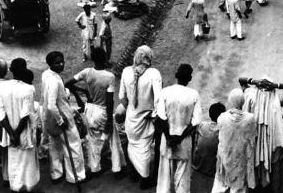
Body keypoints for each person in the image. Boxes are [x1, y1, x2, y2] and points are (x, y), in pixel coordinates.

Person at [66, 47, 125, 176]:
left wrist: (82, 91)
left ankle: (95, 168)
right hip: (103, 111)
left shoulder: (87, 72)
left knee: (93, 141)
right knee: (113, 140)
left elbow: (67, 83)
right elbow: (109, 101)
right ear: (105, 58)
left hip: (90, 110)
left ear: (93, 59)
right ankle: (117, 167)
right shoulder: (109, 77)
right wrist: (109, 121)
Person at [119, 45, 162, 186]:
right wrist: (153, 115)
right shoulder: (154, 74)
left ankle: (133, 174)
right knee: (144, 149)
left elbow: (121, 97)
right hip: (144, 121)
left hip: (130, 120)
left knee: (132, 146)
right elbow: (158, 99)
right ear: (149, 58)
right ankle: (144, 178)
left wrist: (131, 107)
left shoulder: (126, 71)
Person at [41, 51, 86, 184]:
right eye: (57, 63)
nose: (61, 65)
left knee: (55, 146)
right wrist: (61, 120)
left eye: (62, 62)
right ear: (50, 64)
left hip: (49, 118)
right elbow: (51, 105)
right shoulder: (54, 81)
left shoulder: (46, 74)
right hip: (62, 117)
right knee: (74, 146)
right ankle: (76, 176)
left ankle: (56, 174)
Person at [156, 63, 202, 193]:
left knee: (164, 179)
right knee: (183, 179)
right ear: (190, 78)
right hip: (184, 142)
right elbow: (195, 122)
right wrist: (179, 138)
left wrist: (169, 138)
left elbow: (161, 118)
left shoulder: (165, 92)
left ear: (177, 75)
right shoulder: (194, 94)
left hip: (167, 141)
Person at [0, 62, 39, 193]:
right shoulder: (28, 88)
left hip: (9, 133)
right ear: (25, 69)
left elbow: (1, 114)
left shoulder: (3, 87)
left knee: (14, 161)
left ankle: (15, 188)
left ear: (10, 70)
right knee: (27, 162)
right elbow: (25, 114)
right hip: (24, 132)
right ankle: (26, 188)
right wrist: (17, 133)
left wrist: (11, 133)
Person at [212, 88, 257, 193]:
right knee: (239, 188)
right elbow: (252, 139)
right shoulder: (250, 119)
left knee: (220, 186)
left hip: (225, 157)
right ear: (243, 101)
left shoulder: (222, 117)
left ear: (230, 100)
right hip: (241, 158)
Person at [191, 102, 225, 181]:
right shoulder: (222, 129)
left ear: (209, 115)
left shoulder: (202, 125)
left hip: (197, 165)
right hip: (212, 170)